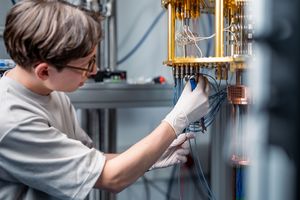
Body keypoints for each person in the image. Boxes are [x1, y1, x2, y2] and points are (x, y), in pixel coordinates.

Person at [0, 0, 209, 199]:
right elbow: (110, 177)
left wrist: (151, 158)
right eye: (87, 64)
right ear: (44, 71)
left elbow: (91, 163)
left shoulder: (50, 92)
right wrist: (177, 119)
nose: (94, 70)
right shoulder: (12, 121)